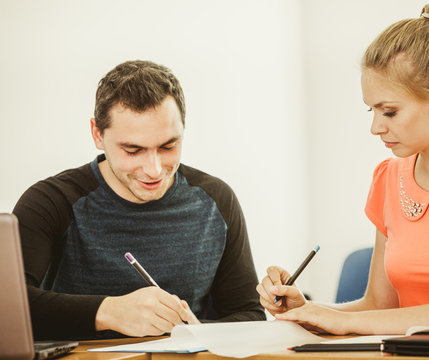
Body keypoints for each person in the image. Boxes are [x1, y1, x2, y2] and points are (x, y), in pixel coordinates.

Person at [257, 1, 429, 335]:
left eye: (389, 112)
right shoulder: (389, 178)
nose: (376, 127)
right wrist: (308, 311)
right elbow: (379, 305)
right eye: (371, 111)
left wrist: (345, 321)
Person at [13, 60, 265, 340]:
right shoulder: (51, 201)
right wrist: (109, 311)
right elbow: (9, 306)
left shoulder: (217, 200)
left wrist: (194, 331)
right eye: (133, 150)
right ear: (97, 134)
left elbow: (249, 314)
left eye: (168, 146)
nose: (154, 169)